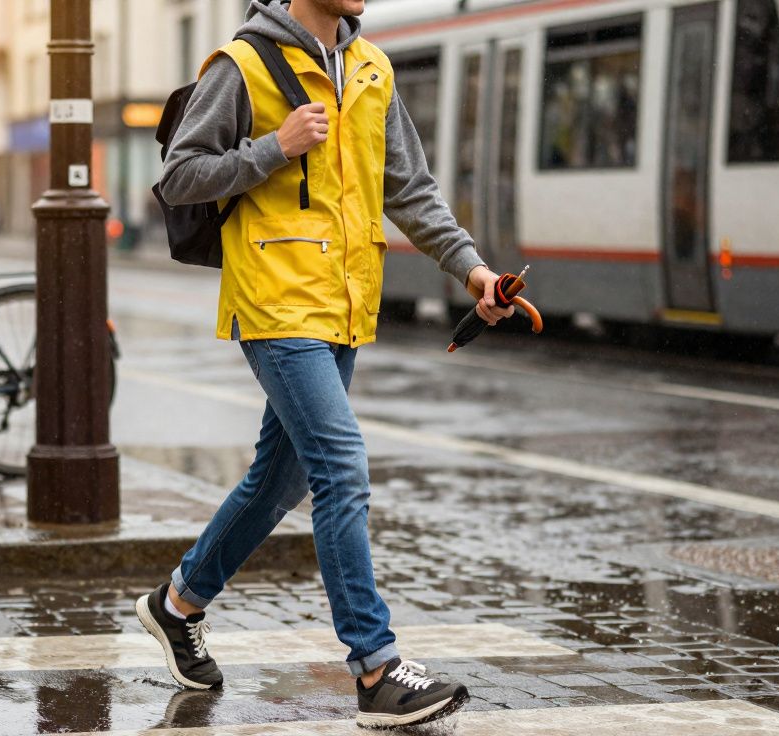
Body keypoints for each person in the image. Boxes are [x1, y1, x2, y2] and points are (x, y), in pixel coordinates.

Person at [135, 0, 513, 727]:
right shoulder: (243, 64)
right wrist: (273, 148)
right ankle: (375, 668)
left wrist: (473, 272)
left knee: (281, 479)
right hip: (275, 299)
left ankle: (176, 605)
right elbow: (180, 176)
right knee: (341, 467)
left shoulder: (372, 69)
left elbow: (409, 189)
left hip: (344, 303)